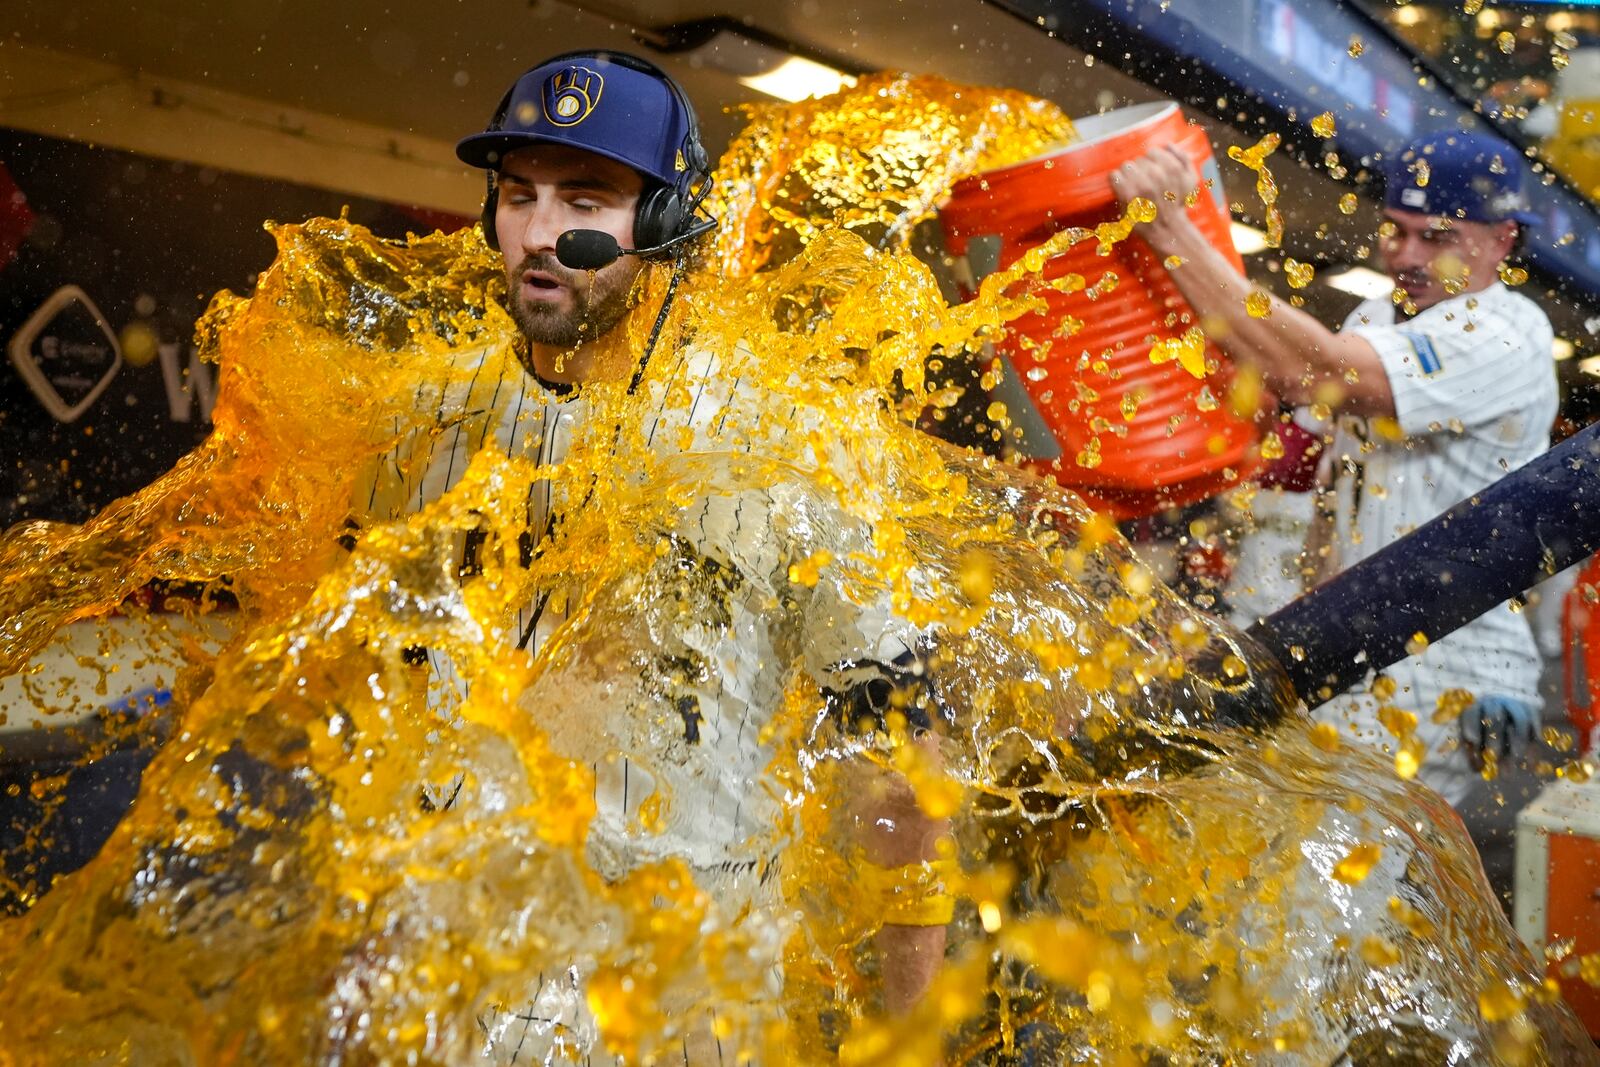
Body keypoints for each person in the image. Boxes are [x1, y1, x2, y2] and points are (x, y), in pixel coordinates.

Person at [355, 50, 950, 1061]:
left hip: (677, 1000)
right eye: (516, 196)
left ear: (671, 226)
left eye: (584, 197)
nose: (539, 233)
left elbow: (900, 771)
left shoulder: (787, 436)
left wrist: (909, 1037)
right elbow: (373, 689)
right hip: (451, 980)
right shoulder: (425, 414)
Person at [1110, 128, 1558, 807]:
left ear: (1502, 240)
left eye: (1435, 236)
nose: (1405, 255)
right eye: (1394, 230)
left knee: (1334, 882)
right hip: (1362, 642)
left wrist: (1174, 228)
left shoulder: (1505, 330)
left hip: (1445, 664)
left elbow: (1316, 370)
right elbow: (1287, 411)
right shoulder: (1381, 313)